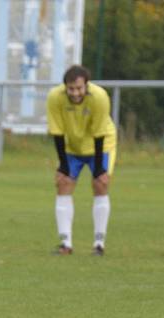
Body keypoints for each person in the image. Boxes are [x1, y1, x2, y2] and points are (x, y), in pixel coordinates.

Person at [46, 65, 117, 255]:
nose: (75, 93)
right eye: (71, 89)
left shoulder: (100, 97)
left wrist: (100, 170)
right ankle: (65, 244)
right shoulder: (55, 98)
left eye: (79, 88)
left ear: (87, 85)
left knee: (100, 184)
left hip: (101, 144)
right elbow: (57, 133)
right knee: (63, 183)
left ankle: (99, 244)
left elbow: (100, 133)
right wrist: (63, 166)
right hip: (72, 145)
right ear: (65, 87)